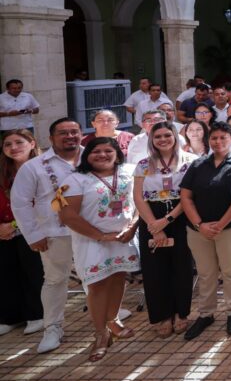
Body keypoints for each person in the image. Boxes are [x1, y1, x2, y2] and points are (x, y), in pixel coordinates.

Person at [60, 138, 140, 362]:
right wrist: (101, 236)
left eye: (108, 150)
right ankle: (100, 333)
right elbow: (68, 215)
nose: (102, 155)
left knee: (118, 278)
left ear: (117, 153)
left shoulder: (130, 172)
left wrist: (133, 227)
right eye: (96, 151)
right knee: (97, 285)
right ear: (87, 155)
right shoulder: (76, 179)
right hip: (92, 241)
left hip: (122, 238)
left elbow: (139, 202)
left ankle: (113, 320)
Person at [9, 118, 83, 353]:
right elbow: (20, 203)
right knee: (55, 280)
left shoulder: (93, 156)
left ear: (81, 134)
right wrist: (33, 235)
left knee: (97, 275)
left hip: (92, 231)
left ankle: (109, 316)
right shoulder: (34, 166)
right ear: (51, 138)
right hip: (54, 232)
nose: (70, 136)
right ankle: (53, 327)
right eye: (63, 132)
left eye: (74, 131)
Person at [178, 121, 231, 339]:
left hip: (229, 228)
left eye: (223, 137)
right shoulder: (198, 164)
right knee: (206, 273)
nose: (218, 142)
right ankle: (206, 314)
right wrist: (200, 225)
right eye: (214, 138)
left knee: (230, 271)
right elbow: (186, 197)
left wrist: (221, 224)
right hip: (198, 230)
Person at [133, 121, 197, 336]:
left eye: (167, 135)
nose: (163, 140)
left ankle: (181, 313)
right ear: (152, 140)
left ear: (175, 136)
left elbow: (189, 195)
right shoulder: (143, 164)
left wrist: (167, 220)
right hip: (150, 218)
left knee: (182, 266)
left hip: (180, 216)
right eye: (158, 136)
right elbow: (138, 197)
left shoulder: (190, 161)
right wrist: (154, 225)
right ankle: (163, 315)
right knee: (155, 269)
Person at [0, 130, 44, 336]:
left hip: (34, 228)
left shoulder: (42, 168)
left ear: (32, 143)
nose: (13, 147)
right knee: (5, 273)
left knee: (33, 271)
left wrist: (14, 225)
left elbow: (44, 202)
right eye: (8, 144)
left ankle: (36, 314)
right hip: (3, 230)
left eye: (19, 142)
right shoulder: (2, 171)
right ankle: (11, 317)